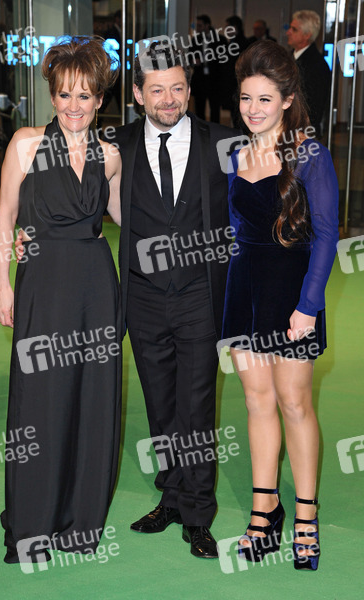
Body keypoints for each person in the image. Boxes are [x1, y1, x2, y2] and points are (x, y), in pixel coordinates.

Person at [0, 36, 122, 564]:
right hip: (42, 286)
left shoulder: (110, 155)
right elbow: (5, 217)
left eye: (85, 96)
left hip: (96, 287)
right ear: (52, 96)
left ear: (99, 99)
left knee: (91, 402)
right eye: (65, 94)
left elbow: (127, 218)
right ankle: (33, 524)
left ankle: (77, 523)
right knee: (40, 402)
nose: (74, 106)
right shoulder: (25, 144)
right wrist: (2, 283)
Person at [110, 42, 240, 558]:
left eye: (178, 88)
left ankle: (198, 513)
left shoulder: (223, 142)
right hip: (142, 296)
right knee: (160, 406)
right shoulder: (116, 144)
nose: (169, 99)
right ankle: (170, 496)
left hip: (199, 297)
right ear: (138, 94)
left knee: (196, 406)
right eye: (157, 90)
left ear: (189, 89)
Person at [221, 40, 339, 570]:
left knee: (295, 403)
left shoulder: (310, 154)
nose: (253, 109)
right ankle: (264, 510)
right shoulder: (233, 153)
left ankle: (306, 515)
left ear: (288, 100)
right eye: (246, 98)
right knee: (256, 402)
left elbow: (327, 235)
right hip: (243, 290)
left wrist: (308, 305)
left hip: (293, 293)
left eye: (265, 99)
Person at [286, 10, 331, 138]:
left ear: (307, 35)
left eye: (294, 29)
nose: (288, 32)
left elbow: (314, 109)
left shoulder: (317, 65)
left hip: (301, 135)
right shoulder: (287, 58)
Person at [190, 14, 227, 123]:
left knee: (215, 108)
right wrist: (193, 62)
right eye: (197, 25)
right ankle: (200, 129)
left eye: (200, 25)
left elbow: (224, 60)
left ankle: (215, 129)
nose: (198, 28)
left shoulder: (220, 40)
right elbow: (190, 57)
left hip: (215, 79)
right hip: (200, 78)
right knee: (199, 108)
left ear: (207, 25)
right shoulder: (195, 40)